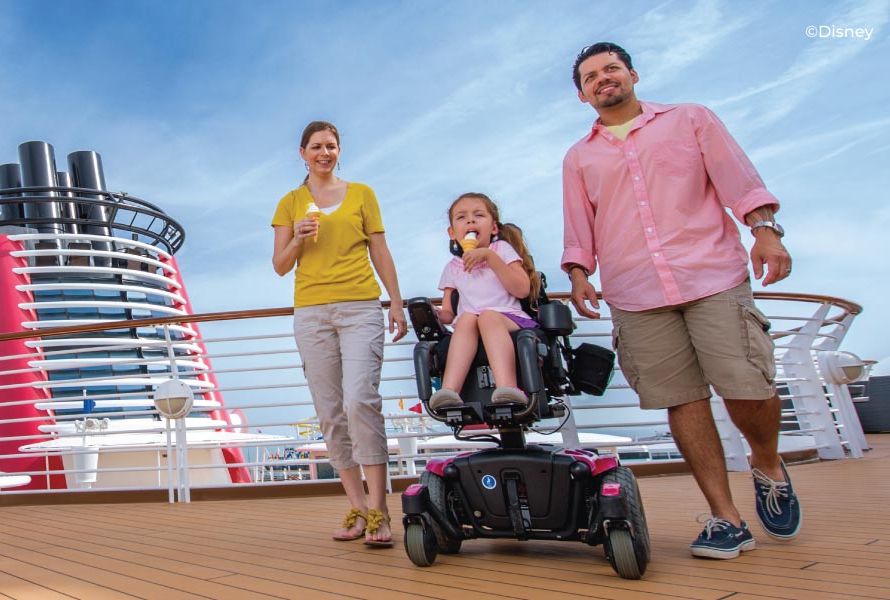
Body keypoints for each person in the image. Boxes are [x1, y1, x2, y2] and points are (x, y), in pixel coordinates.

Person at [562, 42, 800, 560]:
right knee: (682, 399)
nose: (603, 79)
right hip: (635, 290)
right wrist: (580, 273)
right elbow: (580, 224)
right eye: (591, 76)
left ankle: (766, 461)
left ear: (632, 74)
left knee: (747, 385)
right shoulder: (580, 157)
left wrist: (764, 230)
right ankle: (725, 517)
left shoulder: (690, 119)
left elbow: (739, 179)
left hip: (711, 273)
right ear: (582, 95)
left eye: (611, 69)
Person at [271, 121, 407, 547]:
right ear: (302, 153)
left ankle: (381, 512)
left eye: (330, 146)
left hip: (360, 307)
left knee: (360, 400)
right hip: (311, 313)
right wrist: (296, 238)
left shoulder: (363, 194)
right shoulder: (289, 203)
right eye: (316, 147)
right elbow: (279, 265)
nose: (324, 153)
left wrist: (396, 301)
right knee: (330, 413)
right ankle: (357, 508)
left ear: (339, 151)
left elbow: (380, 249)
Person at [428, 192, 542, 411]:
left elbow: (522, 288)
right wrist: (433, 314)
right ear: (452, 233)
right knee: (467, 319)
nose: (470, 220)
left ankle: (508, 387)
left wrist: (489, 257)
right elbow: (449, 314)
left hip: (508, 317)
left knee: (487, 317)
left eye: (478, 215)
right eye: (462, 217)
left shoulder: (501, 250)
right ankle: (450, 391)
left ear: (494, 228)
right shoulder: (453, 266)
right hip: (470, 324)